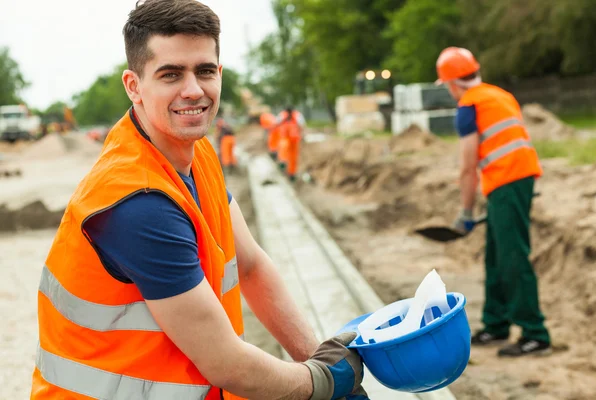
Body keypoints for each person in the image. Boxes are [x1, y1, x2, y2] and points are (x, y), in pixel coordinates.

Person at [30, 1, 368, 399]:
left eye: (204, 71)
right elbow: (227, 363)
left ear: (219, 74)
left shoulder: (196, 154)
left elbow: (252, 266)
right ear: (134, 86)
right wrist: (324, 382)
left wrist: (315, 356)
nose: (193, 90)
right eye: (170, 74)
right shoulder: (137, 204)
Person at [435, 47, 551, 357]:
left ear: (451, 83)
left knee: (512, 256)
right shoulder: (500, 95)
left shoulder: (469, 106)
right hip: (518, 179)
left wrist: (466, 211)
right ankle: (496, 324)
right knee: (496, 256)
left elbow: (467, 166)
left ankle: (535, 333)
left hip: (507, 182)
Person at [276, 106, 305, 182]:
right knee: (284, 147)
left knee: (293, 157)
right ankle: (283, 162)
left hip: (294, 140)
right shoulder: (284, 115)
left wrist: (302, 135)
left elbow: (302, 126)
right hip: (286, 137)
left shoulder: (296, 115)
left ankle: (291, 173)